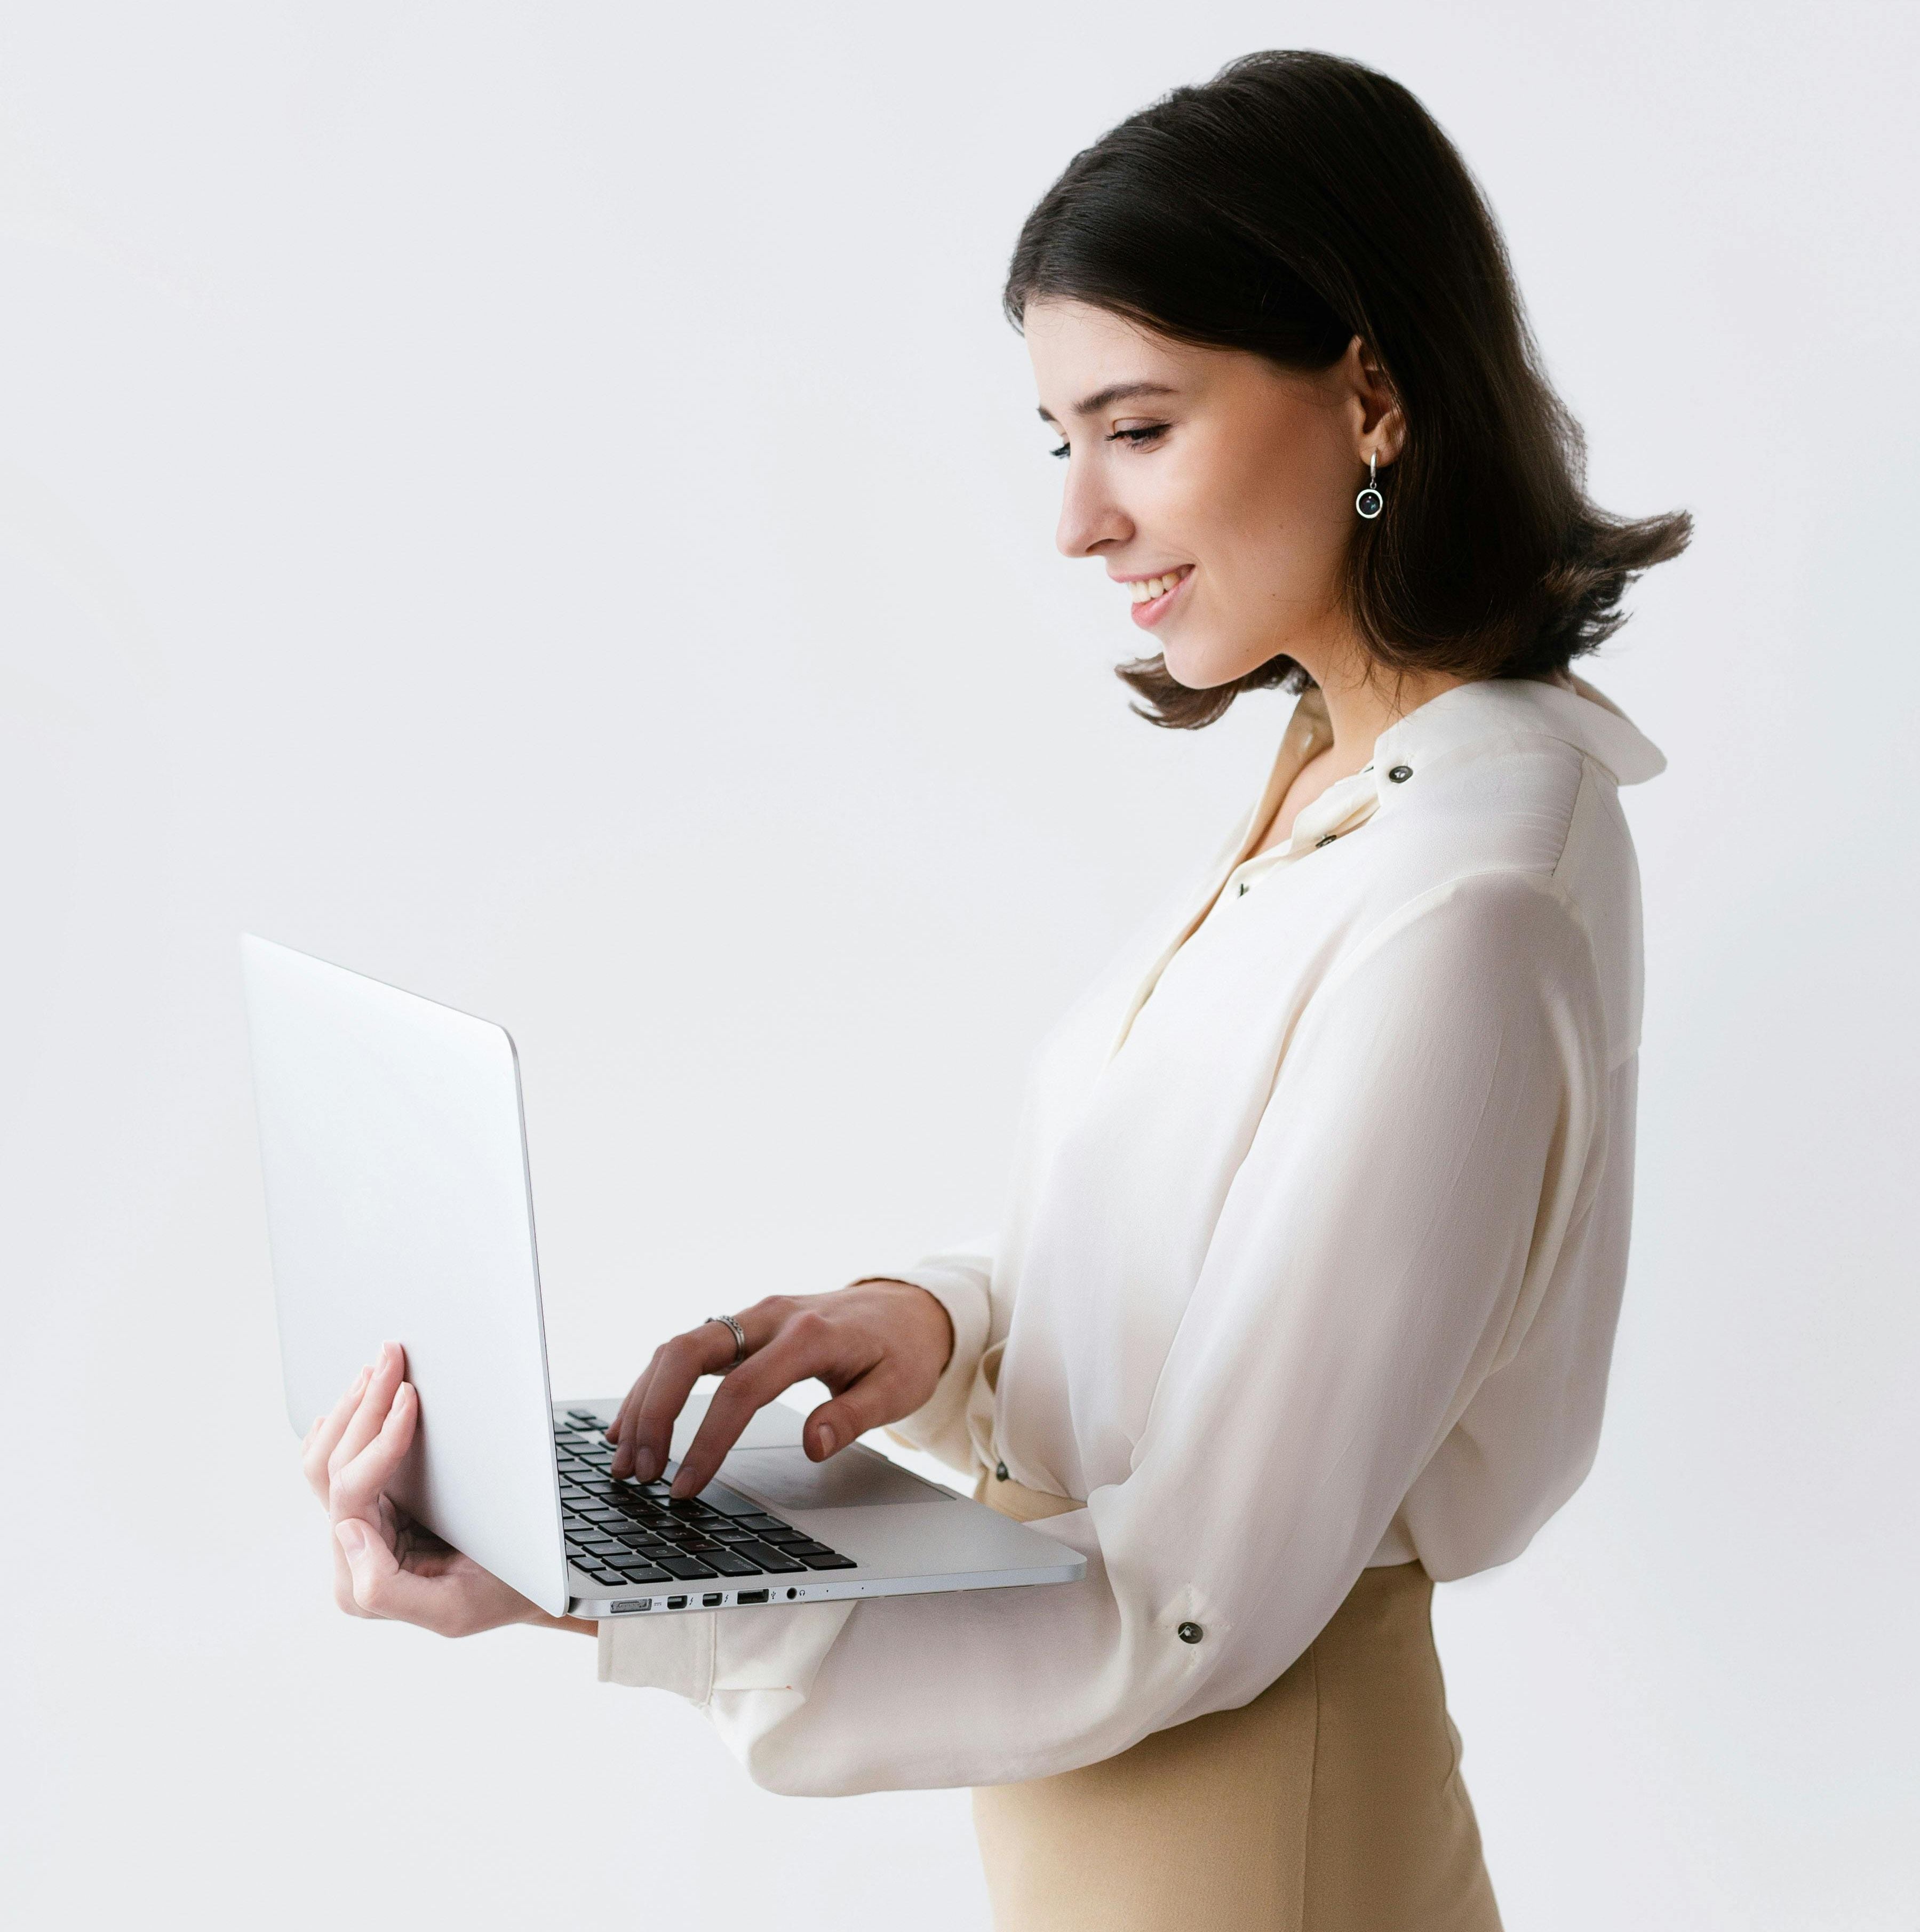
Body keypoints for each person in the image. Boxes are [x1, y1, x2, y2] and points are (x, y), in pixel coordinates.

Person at [301, 50, 1689, 1931]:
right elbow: (1199, 1315)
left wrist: (603, 1594)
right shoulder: (1341, 792)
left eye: (1138, 426)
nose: (1080, 522)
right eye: (1063, 440)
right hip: (1137, 1830)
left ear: (1370, 391)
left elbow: (1180, 1596)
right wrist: (935, 1334)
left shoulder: (1468, 900)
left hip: (1240, 1839)